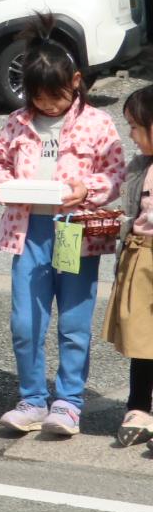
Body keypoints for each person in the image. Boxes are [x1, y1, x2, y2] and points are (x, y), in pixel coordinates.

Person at [0, 37, 123, 437]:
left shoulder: (98, 123)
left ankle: (68, 402)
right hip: (28, 231)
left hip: (75, 231)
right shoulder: (16, 122)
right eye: (39, 97)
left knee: (75, 322)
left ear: (76, 81)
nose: (47, 105)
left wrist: (88, 190)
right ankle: (31, 399)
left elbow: (115, 174)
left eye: (56, 95)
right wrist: (3, 187)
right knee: (26, 321)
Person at [105, 86, 153, 448]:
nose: (131, 135)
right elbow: (118, 199)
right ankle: (138, 406)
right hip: (140, 255)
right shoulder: (139, 167)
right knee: (140, 335)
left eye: (136, 127)